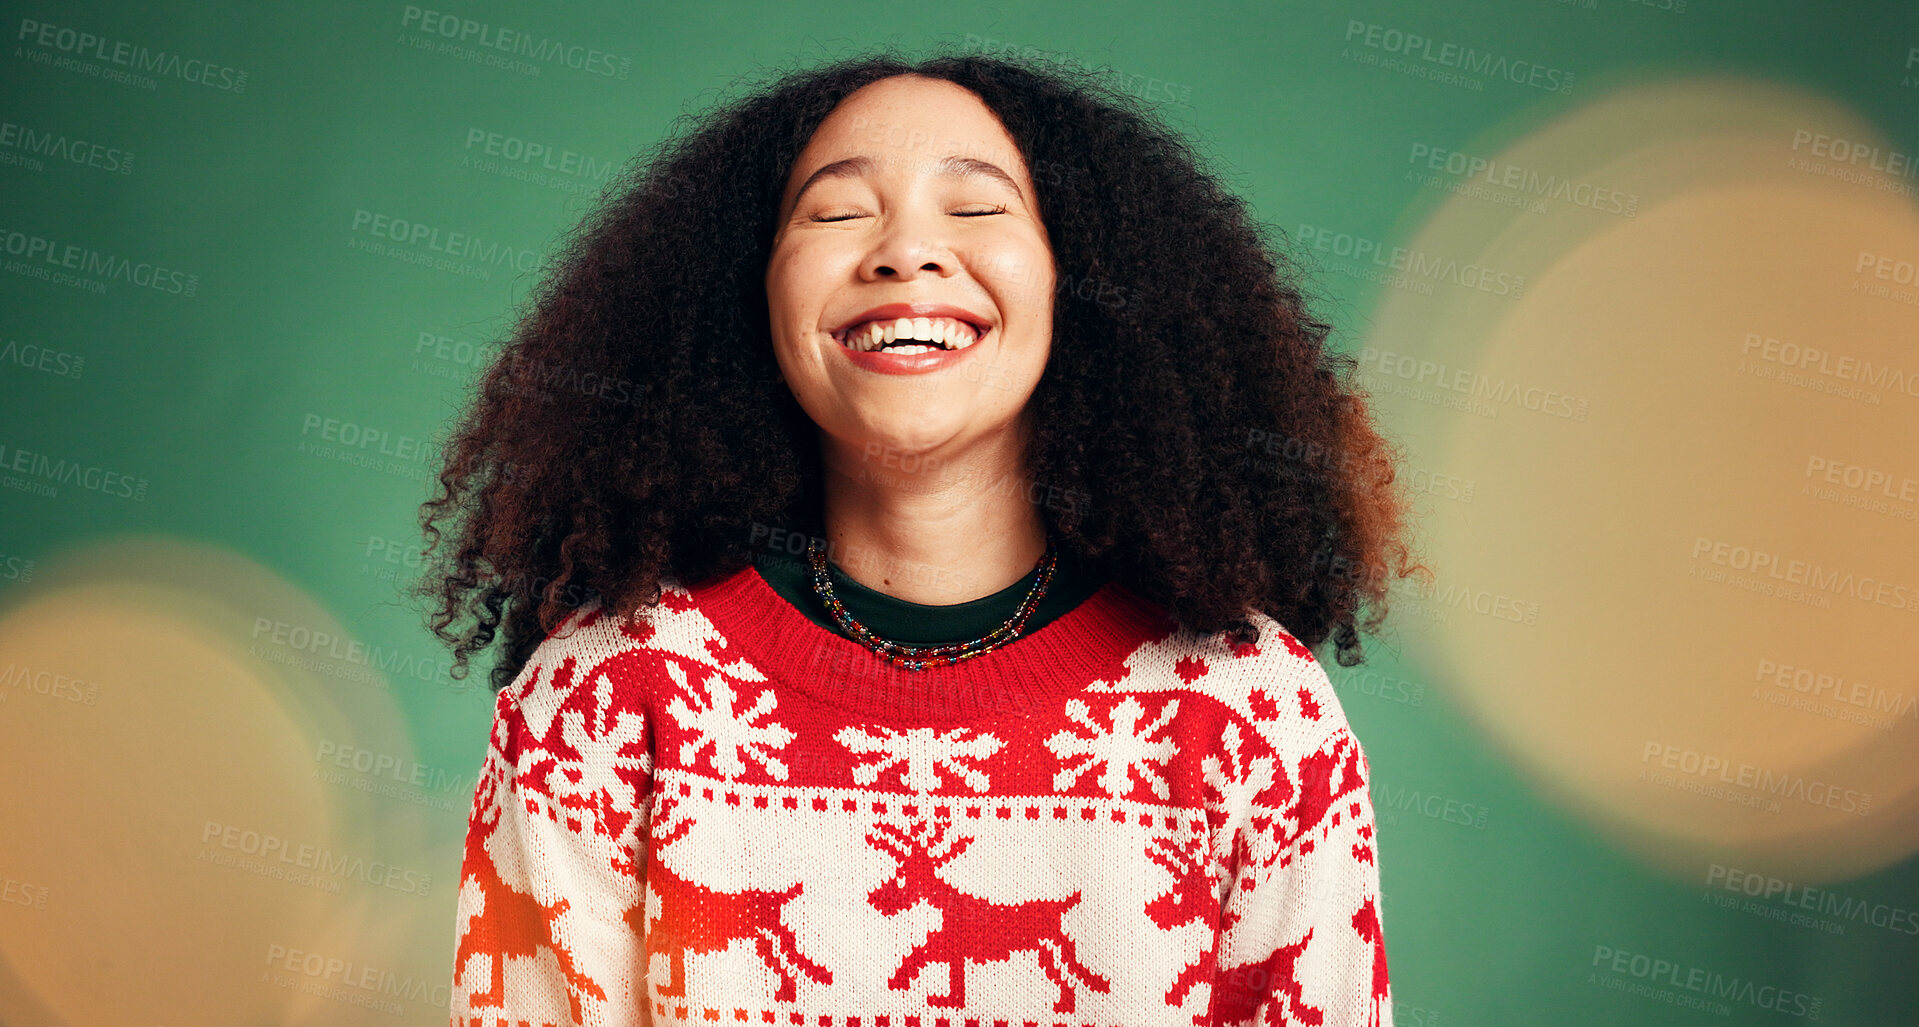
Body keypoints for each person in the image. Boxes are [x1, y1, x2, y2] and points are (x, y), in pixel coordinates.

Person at [421, 46, 1422, 1027]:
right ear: (748, 291)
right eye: (837, 212)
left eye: (979, 208)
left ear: (1091, 283)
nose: (904, 251)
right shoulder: (602, 698)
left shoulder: (1253, 717)